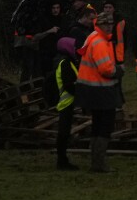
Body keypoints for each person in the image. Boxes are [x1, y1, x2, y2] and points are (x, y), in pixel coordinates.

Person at [75, 11, 124, 173]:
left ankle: (96, 161)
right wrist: (118, 70)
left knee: (97, 125)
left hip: (91, 90)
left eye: (111, 23)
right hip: (101, 90)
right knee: (104, 127)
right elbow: (106, 69)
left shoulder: (93, 37)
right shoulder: (101, 43)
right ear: (100, 24)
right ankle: (99, 163)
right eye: (107, 23)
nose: (110, 26)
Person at [52, 37, 80, 171]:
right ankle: (62, 161)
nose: (75, 49)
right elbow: (69, 84)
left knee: (65, 132)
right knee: (63, 133)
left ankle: (63, 160)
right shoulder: (65, 63)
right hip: (66, 102)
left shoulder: (66, 61)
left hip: (67, 101)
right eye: (73, 46)